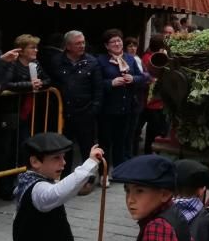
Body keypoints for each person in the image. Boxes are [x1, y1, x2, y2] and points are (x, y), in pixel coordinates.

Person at [0, 34, 53, 200]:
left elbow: (48, 80)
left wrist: (41, 84)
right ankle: (4, 188)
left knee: (23, 149)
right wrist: (29, 86)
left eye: (36, 47)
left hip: (27, 114)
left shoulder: (35, 64)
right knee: (5, 151)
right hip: (9, 113)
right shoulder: (13, 64)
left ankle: (19, 184)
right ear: (22, 50)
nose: (36, 50)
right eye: (32, 47)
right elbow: (6, 84)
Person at [50, 30, 103, 195]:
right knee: (66, 148)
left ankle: (89, 180)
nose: (82, 46)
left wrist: (94, 109)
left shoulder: (92, 62)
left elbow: (98, 89)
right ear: (68, 46)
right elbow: (51, 82)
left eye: (83, 42)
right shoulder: (57, 61)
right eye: (78, 43)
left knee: (88, 147)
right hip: (64, 113)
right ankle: (66, 181)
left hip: (86, 113)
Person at [98, 28, 150, 170]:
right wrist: (111, 83)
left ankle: (120, 170)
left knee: (121, 141)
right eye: (113, 41)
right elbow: (96, 83)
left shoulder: (130, 59)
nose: (117, 43)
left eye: (119, 40)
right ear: (106, 46)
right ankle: (104, 173)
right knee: (106, 142)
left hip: (127, 107)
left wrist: (133, 78)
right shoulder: (100, 60)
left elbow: (144, 77)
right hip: (107, 108)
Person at [135, 35, 169, 156]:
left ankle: (148, 151)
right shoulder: (150, 58)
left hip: (153, 100)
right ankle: (148, 152)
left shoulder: (146, 56)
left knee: (152, 128)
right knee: (153, 129)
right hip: (151, 101)